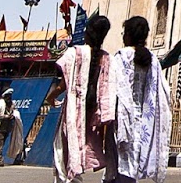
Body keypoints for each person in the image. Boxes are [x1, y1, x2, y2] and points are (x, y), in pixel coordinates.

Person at [44, 14, 114, 183]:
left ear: (88, 32)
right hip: (91, 115)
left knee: (63, 154)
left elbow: (62, 85)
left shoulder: (74, 53)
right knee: (77, 152)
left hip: (72, 114)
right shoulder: (106, 58)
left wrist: (50, 97)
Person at [111, 16, 172, 182]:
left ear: (129, 35)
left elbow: (112, 88)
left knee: (120, 165)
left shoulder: (121, 57)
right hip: (144, 121)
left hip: (122, 118)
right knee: (132, 161)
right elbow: (162, 90)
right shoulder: (152, 60)